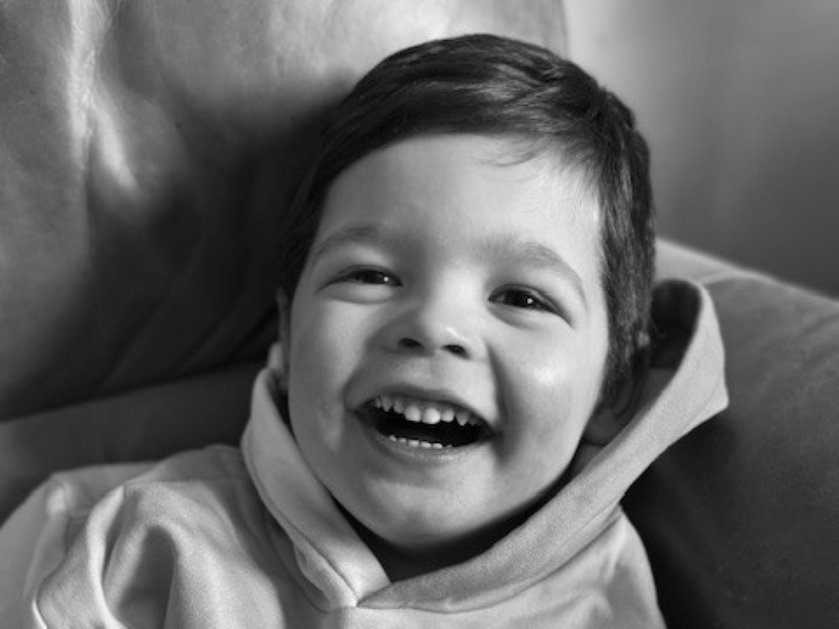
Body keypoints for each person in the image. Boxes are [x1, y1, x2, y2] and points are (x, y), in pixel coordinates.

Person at [0, 34, 727, 627]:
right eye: (370, 276)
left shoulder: (607, 596)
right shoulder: (114, 541)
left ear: (613, 386)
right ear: (285, 331)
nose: (433, 326)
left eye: (520, 296)